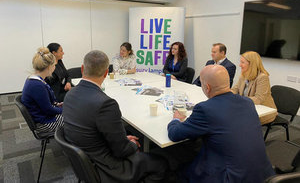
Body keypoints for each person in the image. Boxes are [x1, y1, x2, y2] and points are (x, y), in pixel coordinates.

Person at [63, 50, 168, 183]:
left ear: (83, 68)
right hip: (105, 168)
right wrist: (131, 144)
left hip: (83, 163)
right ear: (107, 73)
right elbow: (122, 151)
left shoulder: (70, 94)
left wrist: (122, 138)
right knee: (161, 163)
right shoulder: (105, 104)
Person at [168, 65, 275, 183]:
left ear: (207, 87)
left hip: (229, 178)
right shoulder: (247, 102)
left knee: (179, 168)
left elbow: (175, 134)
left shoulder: (205, 109)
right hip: (263, 175)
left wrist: (175, 120)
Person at [21, 47, 64, 133]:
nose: (55, 68)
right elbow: (48, 110)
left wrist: (57, 104)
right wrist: (65, 109)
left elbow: (46, 104)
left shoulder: (34, 80)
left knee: (75, 114)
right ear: (49, 67)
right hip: (44, 123)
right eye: (54, 65)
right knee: (77, 118)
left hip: (43, 117)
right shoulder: (37, 85)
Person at [232, 51, 277, 125]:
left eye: (242, 62)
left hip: (264, 112)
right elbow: (235, 89)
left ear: (251, 64)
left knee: (235, 119)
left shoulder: (263, 77)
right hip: (247, 107)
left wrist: (239, 100)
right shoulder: (243, 75)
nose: (240, 65)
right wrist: (226, 94)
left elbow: (259, 99)